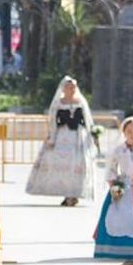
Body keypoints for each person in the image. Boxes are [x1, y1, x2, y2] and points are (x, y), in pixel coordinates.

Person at [27, 75, 95, 206]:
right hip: (62, 136)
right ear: (64, 88)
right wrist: (51, 137)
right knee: (60, 165)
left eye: (73, 87)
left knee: (77, 165)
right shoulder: (58, 103)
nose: (72, 89)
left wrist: (92, 135)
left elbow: (87, 120)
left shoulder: (81, 102)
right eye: (69, 87)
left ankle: (73, 194)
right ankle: (66, 193)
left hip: (78, 138)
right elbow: (52, 121)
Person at [92, 117, 133, 264]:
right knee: (121, 218)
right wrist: (114, 186)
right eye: (129, 131)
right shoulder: (118, 150)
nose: (132, 134)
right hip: (124, 187)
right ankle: (127, 257)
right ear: (124, 132)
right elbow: (111, 170)